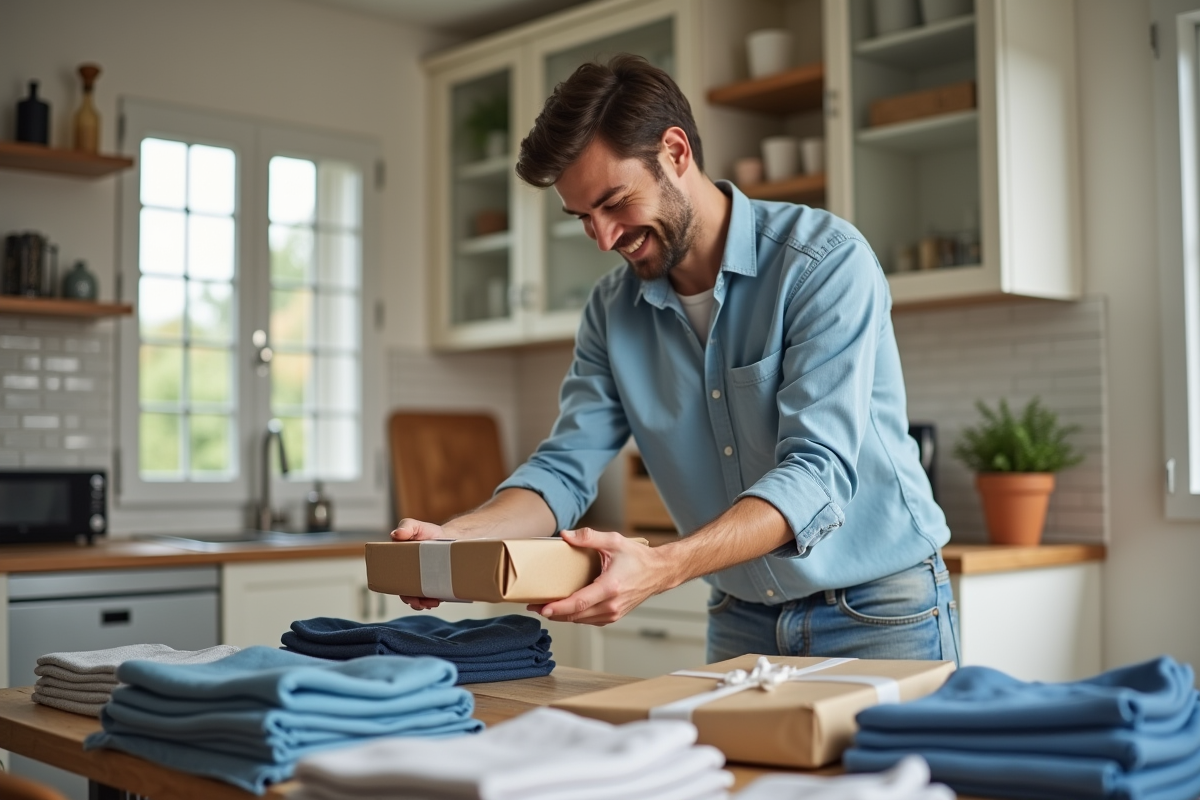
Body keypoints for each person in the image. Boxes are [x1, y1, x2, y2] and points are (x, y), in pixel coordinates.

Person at [393, 54, 959, 664]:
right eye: (583, 218)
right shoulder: (612, 311)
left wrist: (662, 567)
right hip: (740, 615)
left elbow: (815, 474)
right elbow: (564, 468)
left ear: (676, 151)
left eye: (614, 202)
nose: (605, 238)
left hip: (880, 610)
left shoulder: (822, 264)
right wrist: (456, 538)